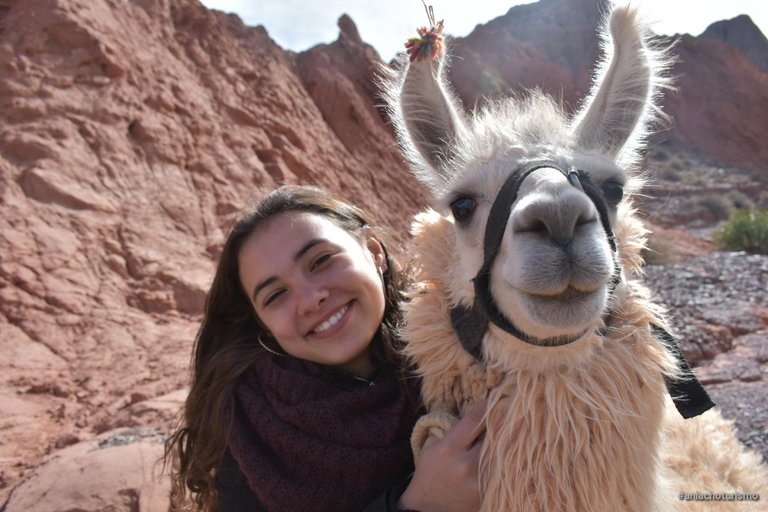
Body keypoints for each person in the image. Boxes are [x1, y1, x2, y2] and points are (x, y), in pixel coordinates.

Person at [163, 185, 486, 512]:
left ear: (374, 251)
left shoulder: (464, 344)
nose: (309, 299)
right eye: (275, 296)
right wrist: (415, 504)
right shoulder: (249, 426)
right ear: (265, 327)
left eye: (321, 261)